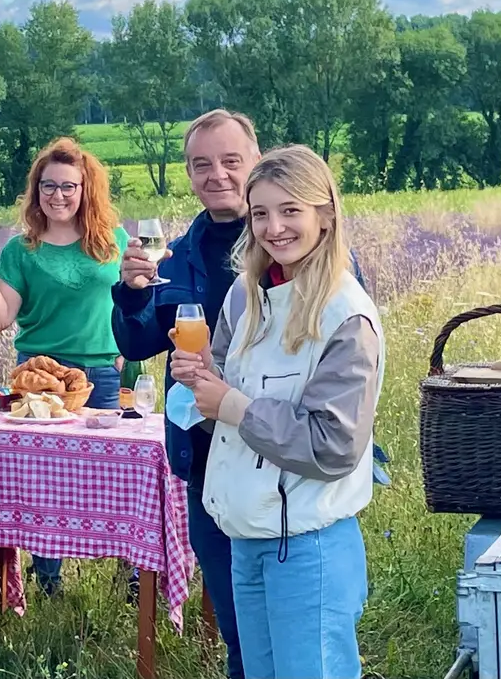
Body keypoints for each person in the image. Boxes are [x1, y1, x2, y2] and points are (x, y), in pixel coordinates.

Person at [171, 144, 385, 679]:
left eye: (291, 210)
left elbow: (332, 446)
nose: (274, 227)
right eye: (261, 212)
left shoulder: (346, 315)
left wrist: (233, 406)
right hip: (247, 536)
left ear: (325, 215)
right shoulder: (246, 299)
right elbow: (213, 387)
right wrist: (196, 378)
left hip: (308, 546)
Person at [109, 108, 259, 679]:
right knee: (233, 615)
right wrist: (131, 294)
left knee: (283, 616)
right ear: (190, 175)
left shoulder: (292, 239)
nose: (217, 174)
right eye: (202, 165)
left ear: (256, 161)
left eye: (230, 161)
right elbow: (139, 342)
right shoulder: (177, 252)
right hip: (205, 454)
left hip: (277, 454)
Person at [0, 135, 128, 596]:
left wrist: (127, 348)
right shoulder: (23, 250)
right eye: (48, 186)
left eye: (68, 187)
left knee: (112, 474)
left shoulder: (112, 241)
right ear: (35, 191)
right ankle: (48, 581)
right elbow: (0, 320)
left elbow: (131, 303)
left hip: (101, 373)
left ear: (86, 190)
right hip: (40, 376)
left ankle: (131, 574)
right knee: (45, 480)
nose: (58, 195)